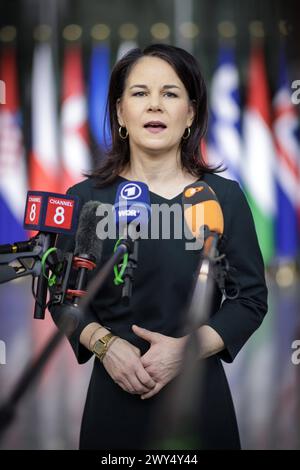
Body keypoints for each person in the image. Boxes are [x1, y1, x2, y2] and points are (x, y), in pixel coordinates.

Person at [52, 43, 268, 450]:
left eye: (170, 93)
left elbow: (250, 299)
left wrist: (185, 351)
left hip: (199, 401)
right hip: (113, 400)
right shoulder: (85, 199)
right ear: (119, 113)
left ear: (190, 114)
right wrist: (106, 344)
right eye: (139, 93)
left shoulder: (223, 196)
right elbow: (61, 296)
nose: (154, 105)